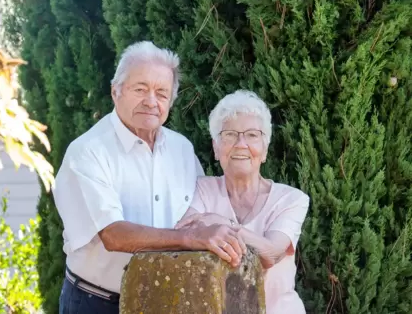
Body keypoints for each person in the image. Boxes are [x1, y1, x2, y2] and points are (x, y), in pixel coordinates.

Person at [52, 41, 246, 314]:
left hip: (166, 300)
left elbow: (203, 213)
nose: (151, 101)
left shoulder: (182, 149)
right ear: (115, 91)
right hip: (98, 302)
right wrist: (192, 237)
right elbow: (114, 235)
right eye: (140, 89)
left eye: (161, 93)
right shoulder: (87, 152)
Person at [175, 90, 310, 314]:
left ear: (264, 150)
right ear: (216, 149)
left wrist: (218, 223)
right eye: (229, 135)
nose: (240, 144)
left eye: (252, 135)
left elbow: (270, 254)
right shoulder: (203, 188)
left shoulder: (291, 199)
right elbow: (185, 234)